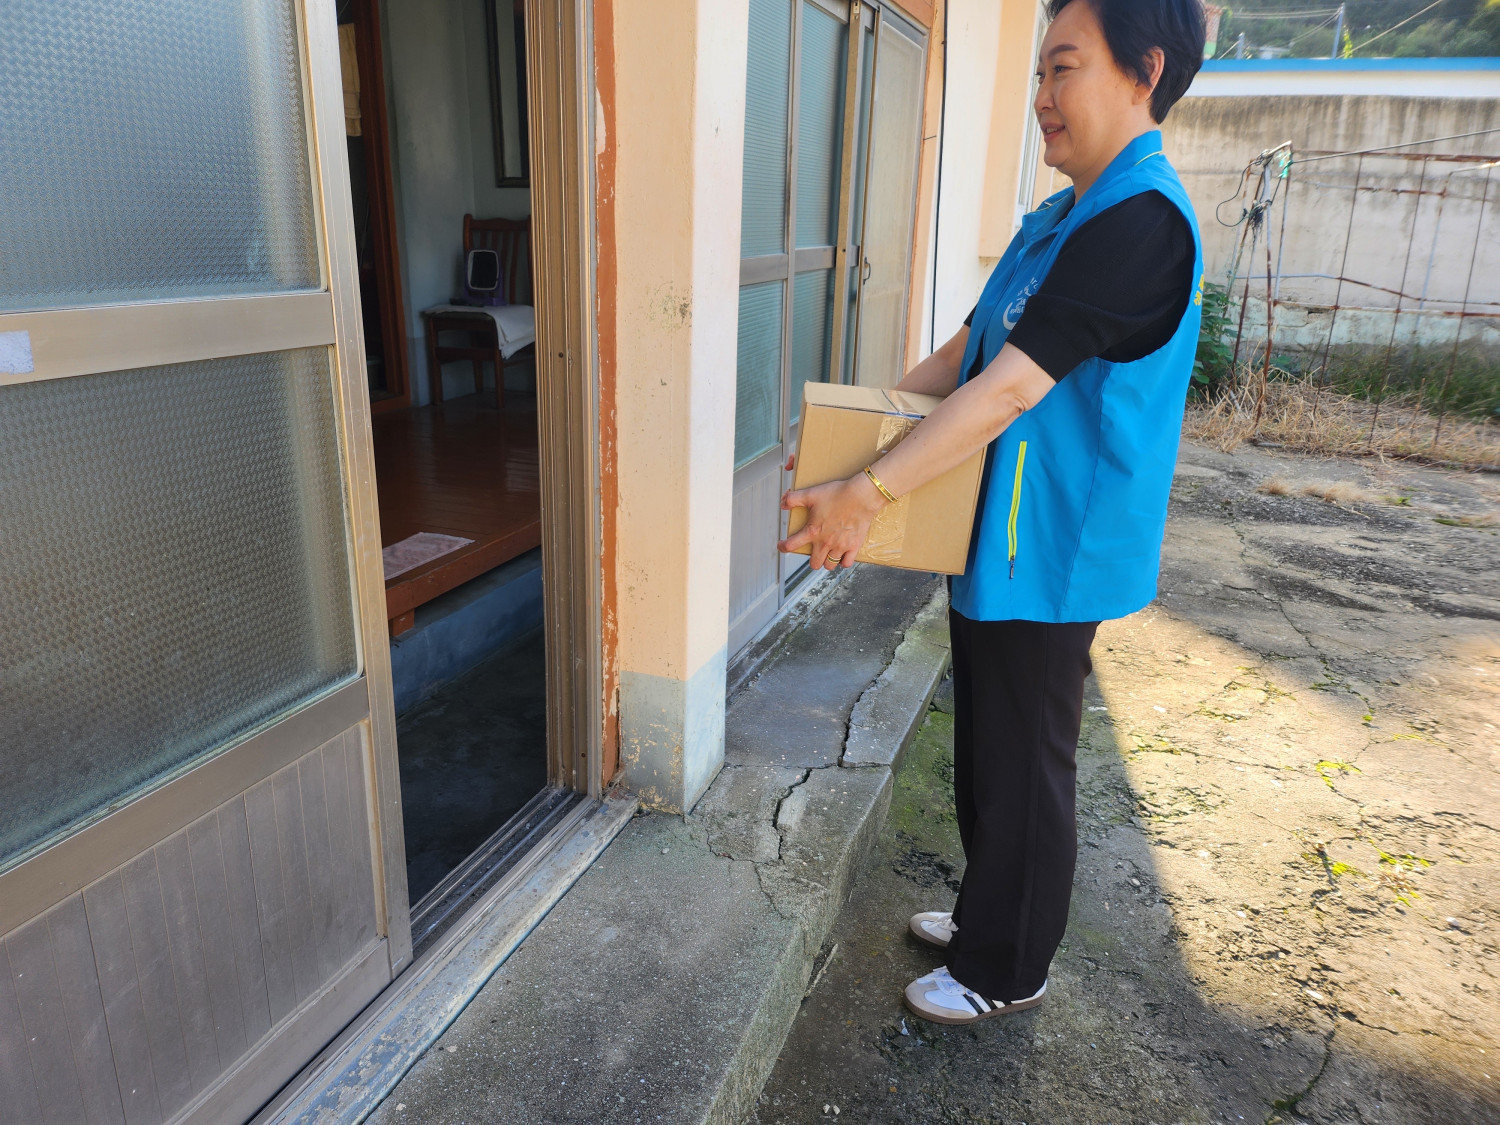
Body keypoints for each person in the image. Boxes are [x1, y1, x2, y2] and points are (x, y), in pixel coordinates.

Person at [777, 0, 1207, 1025]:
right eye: (1039, 73)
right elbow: (960, 358)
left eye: (1064, 67)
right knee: (988, 747)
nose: (1041, 96)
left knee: (1025, 761)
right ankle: (987, 916)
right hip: (1001, 534)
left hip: (1056, 547)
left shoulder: (1142, 222)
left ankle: (1007, 967)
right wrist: (851, 440)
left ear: (1144, 71)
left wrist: (870, 493)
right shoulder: (1061, 217)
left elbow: (1012, 389)